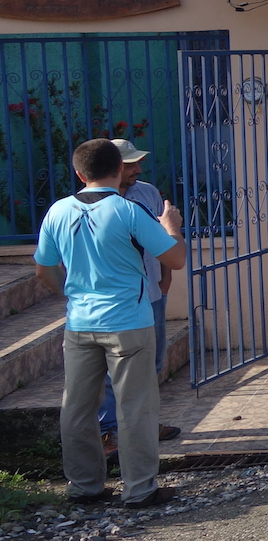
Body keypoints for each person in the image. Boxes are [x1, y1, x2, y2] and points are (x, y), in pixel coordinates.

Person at [34, 138, 186, 508]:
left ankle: (84, 486)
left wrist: (74, 295)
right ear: (119, 168)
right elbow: (176, 259)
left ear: (79, 173)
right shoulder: (129, 210)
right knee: (135, 407)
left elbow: (44, 270)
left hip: (79, 324)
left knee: (77, 408)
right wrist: (172, 227)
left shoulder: (57, 211)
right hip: (128, 322)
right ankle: (140, 489)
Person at [95, 139, 182, 457]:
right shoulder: (90, 203)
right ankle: (107, 431)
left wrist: (165, 279)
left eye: (137, 163)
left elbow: (164, 242)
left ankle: (144, 423)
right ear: (114, 167)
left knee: (152, 360)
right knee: (111, 367)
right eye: (130, 164)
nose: (137, 169)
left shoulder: (147, 193)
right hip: (116, 301)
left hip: (151, 293)